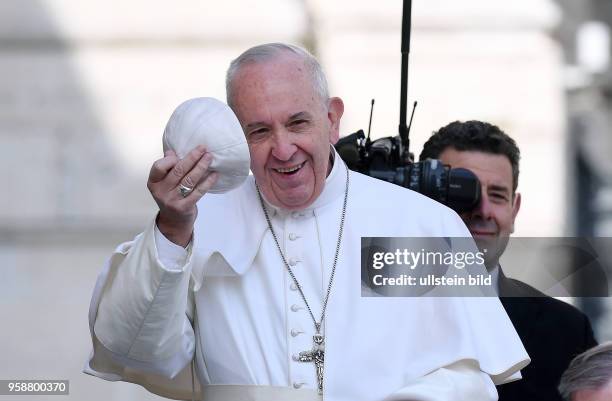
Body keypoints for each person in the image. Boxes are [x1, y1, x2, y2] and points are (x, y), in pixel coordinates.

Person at [84, 44, 529, 401]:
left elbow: (470, 381)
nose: (282, 149)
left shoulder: (424, 222)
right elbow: (136, 350)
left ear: (332, 119)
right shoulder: (196, 219)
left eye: (298, 123)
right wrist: (172, 228)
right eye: (258, 131)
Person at [420, 120, 598, 401]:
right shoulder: (368, 311)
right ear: (422, 197)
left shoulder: (567, 332)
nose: (483, 210)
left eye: (497, 195)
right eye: (464, 191)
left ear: (514, 210)